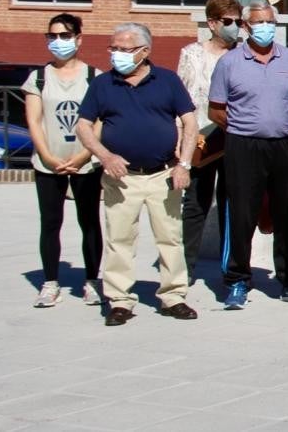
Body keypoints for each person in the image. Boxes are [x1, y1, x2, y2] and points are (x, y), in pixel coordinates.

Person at [76, 22, 198, 326]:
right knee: (119, 239)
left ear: (145, 51)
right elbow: (82, 126)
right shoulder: (103, 84)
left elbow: (190, 123)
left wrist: (184, 164)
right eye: (113, 47)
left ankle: (173, 296)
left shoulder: (167, 81)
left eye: (124, 48)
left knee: (170, 237)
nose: (116, 54)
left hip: (163, 174)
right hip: (121, 176)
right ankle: (119, 300)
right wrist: (104, 156)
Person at [209, 1, 288, 310]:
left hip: (285, 145)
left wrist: (278, 123)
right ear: (245, 27)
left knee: (287, 216)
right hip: (244, 147)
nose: (265, 27)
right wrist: (247, 126)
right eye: (259, 22)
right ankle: (237, 281)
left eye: (270, 21)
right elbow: (216, 111)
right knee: (242, 215)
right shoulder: (229, 63)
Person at [24, 13, 102, 308]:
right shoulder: (38, 78)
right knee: (51, 222)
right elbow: (34, 120)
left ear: (79, 38)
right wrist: (47, 156)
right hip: (49, 162)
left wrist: (85, 155)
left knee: (89, 222)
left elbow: (99, 122)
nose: (59, 42)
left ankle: (92, 280)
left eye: (65, 36)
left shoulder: (94, 77)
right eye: (53, 36)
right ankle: (50, 281)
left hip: (85, 162)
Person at [177, 0, 241, 286]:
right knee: (195, 205)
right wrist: (181, 144)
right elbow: (182, 99)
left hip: (236, 139)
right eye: (228, 22)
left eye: (238, 22)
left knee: (234, 205)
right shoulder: (192, 54)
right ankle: (184, 269)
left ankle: (232, 269)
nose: (234, 27)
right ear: (213, 23)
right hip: (201, 140)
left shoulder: (243, 53)